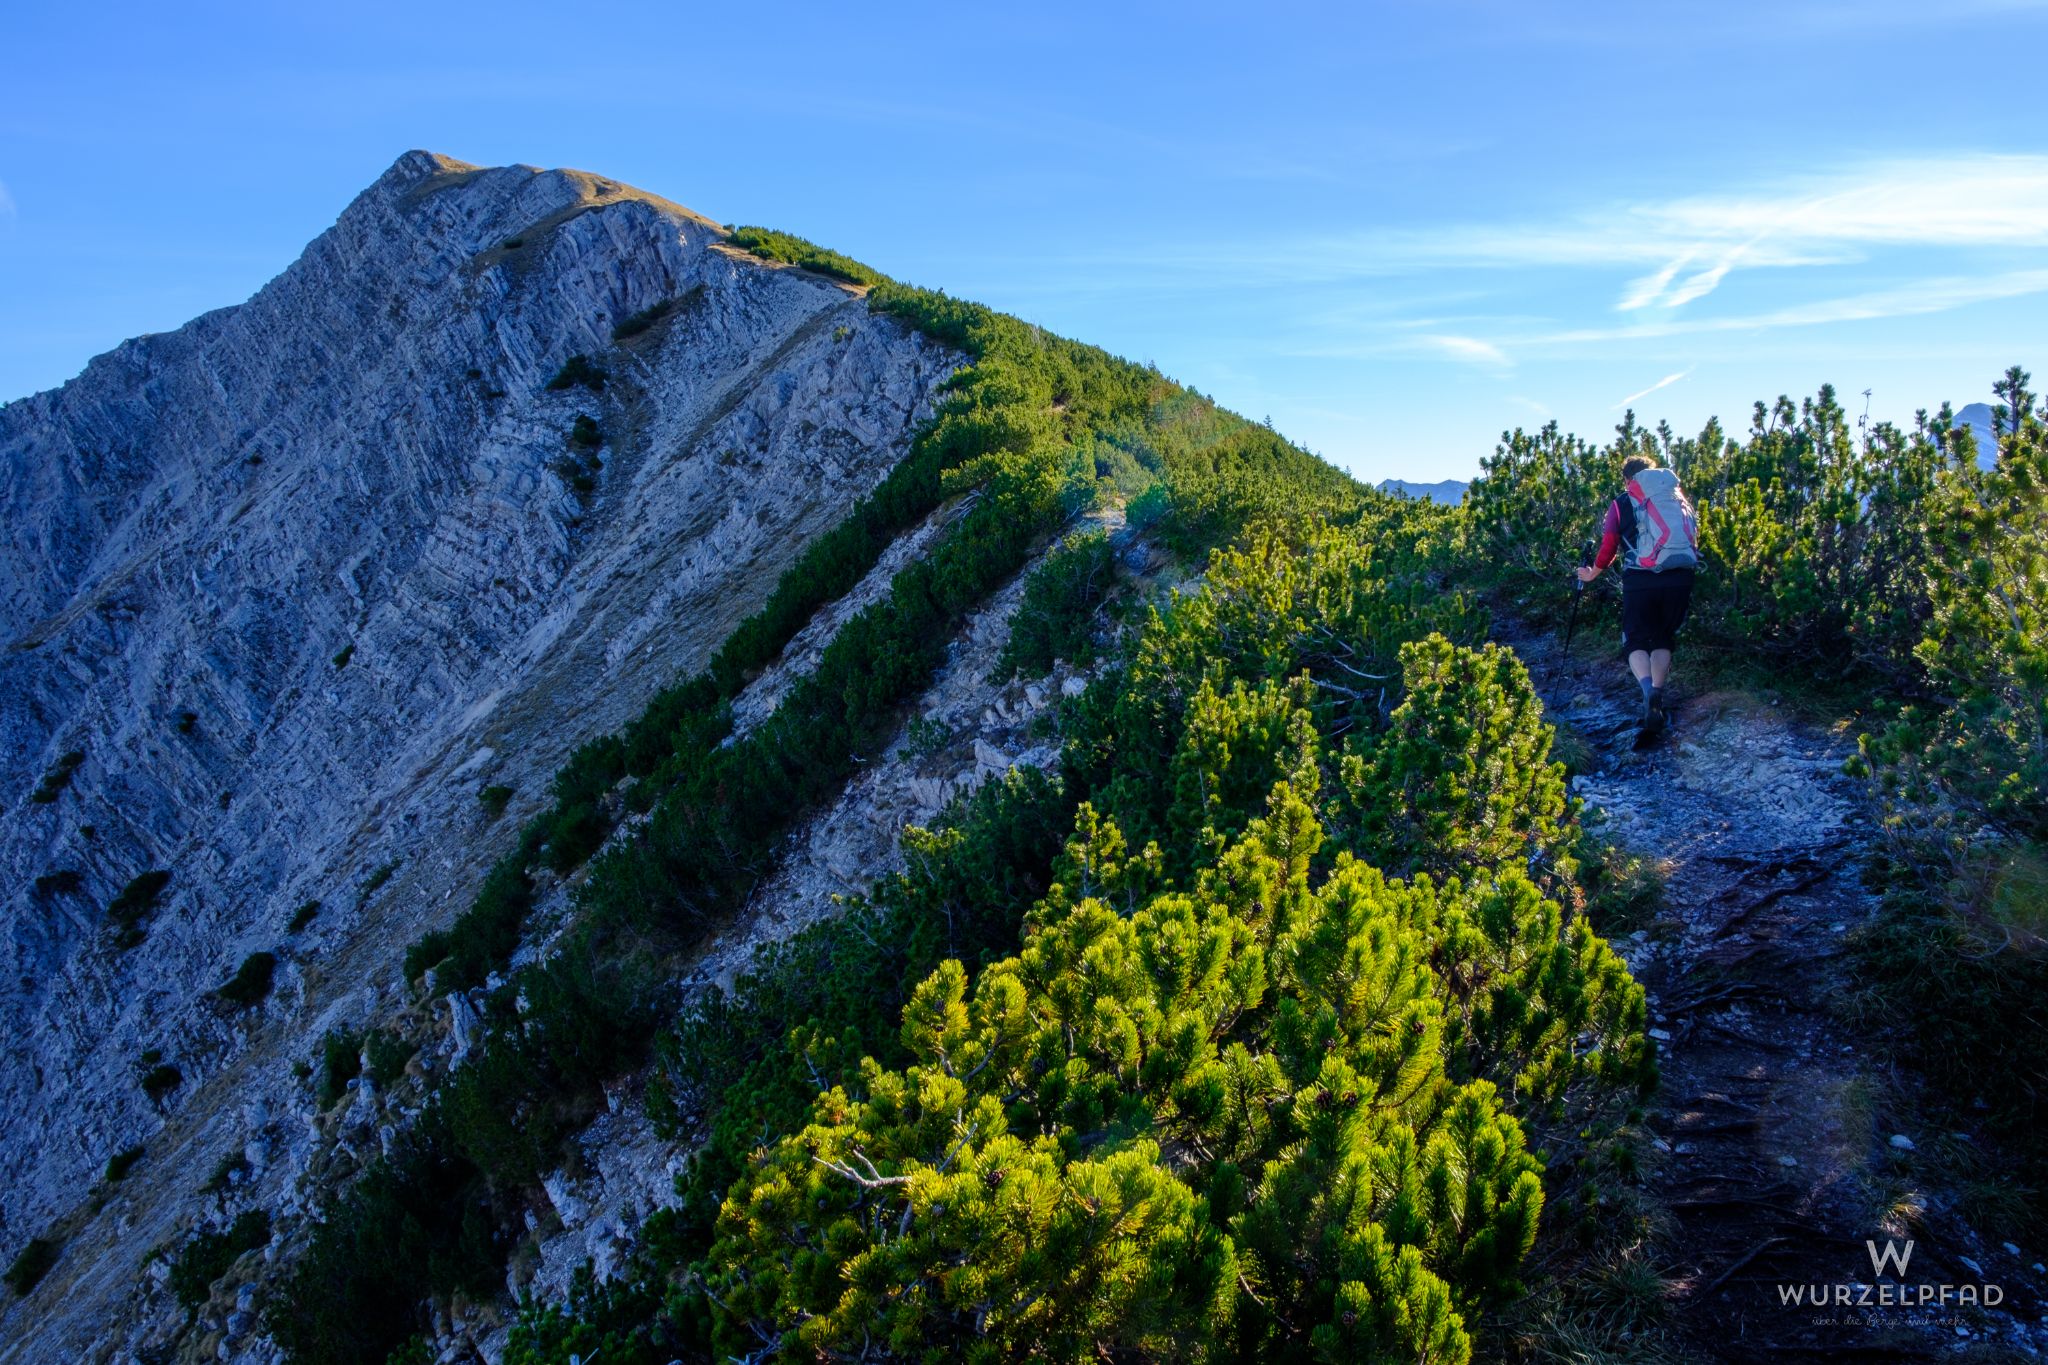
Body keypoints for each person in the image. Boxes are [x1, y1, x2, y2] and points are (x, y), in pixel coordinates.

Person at [1576, 454, 1699, 740]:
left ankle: (1647, 691)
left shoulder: (1622, 502)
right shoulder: (1676, 496)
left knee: (1634, 639)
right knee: (1663, 636)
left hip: (1641, 579)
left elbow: (1609, 545)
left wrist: (1592, 573)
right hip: (1680, 575)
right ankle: (1658, 690)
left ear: (1627, 479)